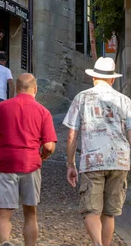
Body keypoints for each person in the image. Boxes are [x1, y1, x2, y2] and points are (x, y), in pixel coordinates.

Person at [0, 73, 57, 246]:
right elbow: (49, 145)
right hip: (31, 164)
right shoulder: (43, 112)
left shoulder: (1, 108)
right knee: (30, 213)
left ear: (16, 89)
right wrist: (43, 155)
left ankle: (5, 241)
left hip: (5, 164)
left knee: (3, 214)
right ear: (35, 89)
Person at [63, 56, 131, 246]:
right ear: (113, 79)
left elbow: (71, 135)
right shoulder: (125, 100)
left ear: (94, 78)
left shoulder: (82, 98)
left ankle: (98, 244)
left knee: (91, 210)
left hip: (93, 160)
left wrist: (71, 164)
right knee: (109, 213)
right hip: (119, 161)